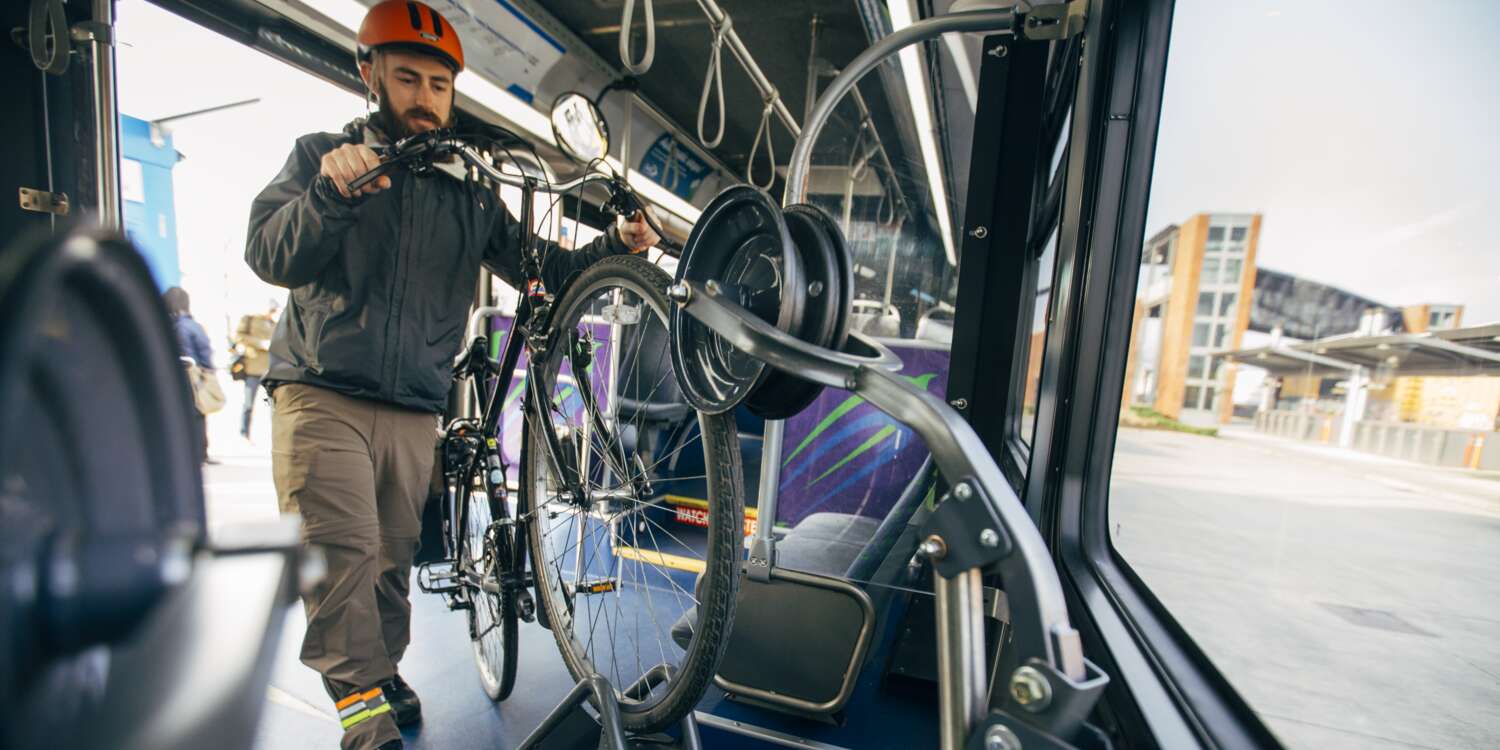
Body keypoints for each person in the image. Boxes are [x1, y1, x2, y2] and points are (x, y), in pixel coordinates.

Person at [243, 3, 659, 748]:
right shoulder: (321, 159)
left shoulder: (466, 192)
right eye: (408, 78)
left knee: (391, 565)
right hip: (321, 392)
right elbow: (271, 254)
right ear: (368, 76)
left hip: (413, 407)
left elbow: (544, 269)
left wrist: (616, 245)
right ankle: (366, 726)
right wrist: (331, 196)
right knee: (341, 559)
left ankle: (381, 673)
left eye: (439, 84)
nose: (425, 97)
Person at [163, 286, 217, 465]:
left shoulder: (174, 327)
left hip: (184, 374)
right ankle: (202, 452)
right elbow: (206, 351)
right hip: (198, 374)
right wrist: (208, 370)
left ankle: (190, 453)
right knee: (198, 414)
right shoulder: (194, 325)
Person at [231, 299, 280, 442]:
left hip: (271, 369)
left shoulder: (276, 324)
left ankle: (276, 435)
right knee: (248, 404)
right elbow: (239, 336)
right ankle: (244, 433)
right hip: (253, 367)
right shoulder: (250, 319)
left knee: (274, 405)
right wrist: (260, 343)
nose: (272, 313)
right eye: (272, 310)